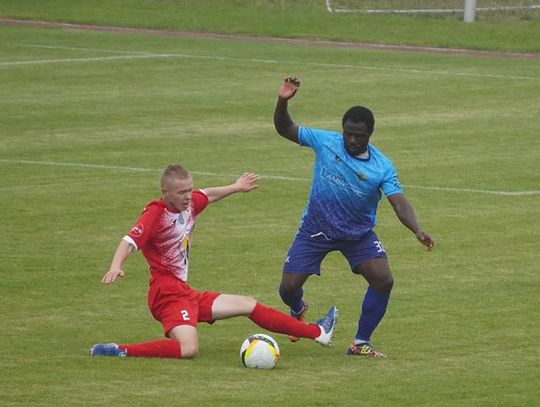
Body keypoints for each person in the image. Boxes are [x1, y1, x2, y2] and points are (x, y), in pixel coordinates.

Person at [91, 164, 337, 359]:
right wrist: (116, 265)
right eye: (181, 192)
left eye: (189, 190)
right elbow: (129, 240)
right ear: (165, 193)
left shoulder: (188, 205)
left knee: (248, 304)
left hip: (184, 292)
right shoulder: (156, 213)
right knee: (188, 349)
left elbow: (206, 195)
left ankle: (319, 333)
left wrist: (236, 186)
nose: (188, 196)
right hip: (166, 295)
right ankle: (119, 350)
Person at [273, 77, 434, 358]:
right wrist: (283, 101)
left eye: (358, 135)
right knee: (287, 288)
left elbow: (398, 203)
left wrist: (417, 230)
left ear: (370, 134)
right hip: (316, 227)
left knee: (384, 280)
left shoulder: (382, 167)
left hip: (357, 234)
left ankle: (360, 343)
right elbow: (284, 128)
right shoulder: (327, 142)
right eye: (348, 133)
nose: (351, 140)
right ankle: (298, 308)